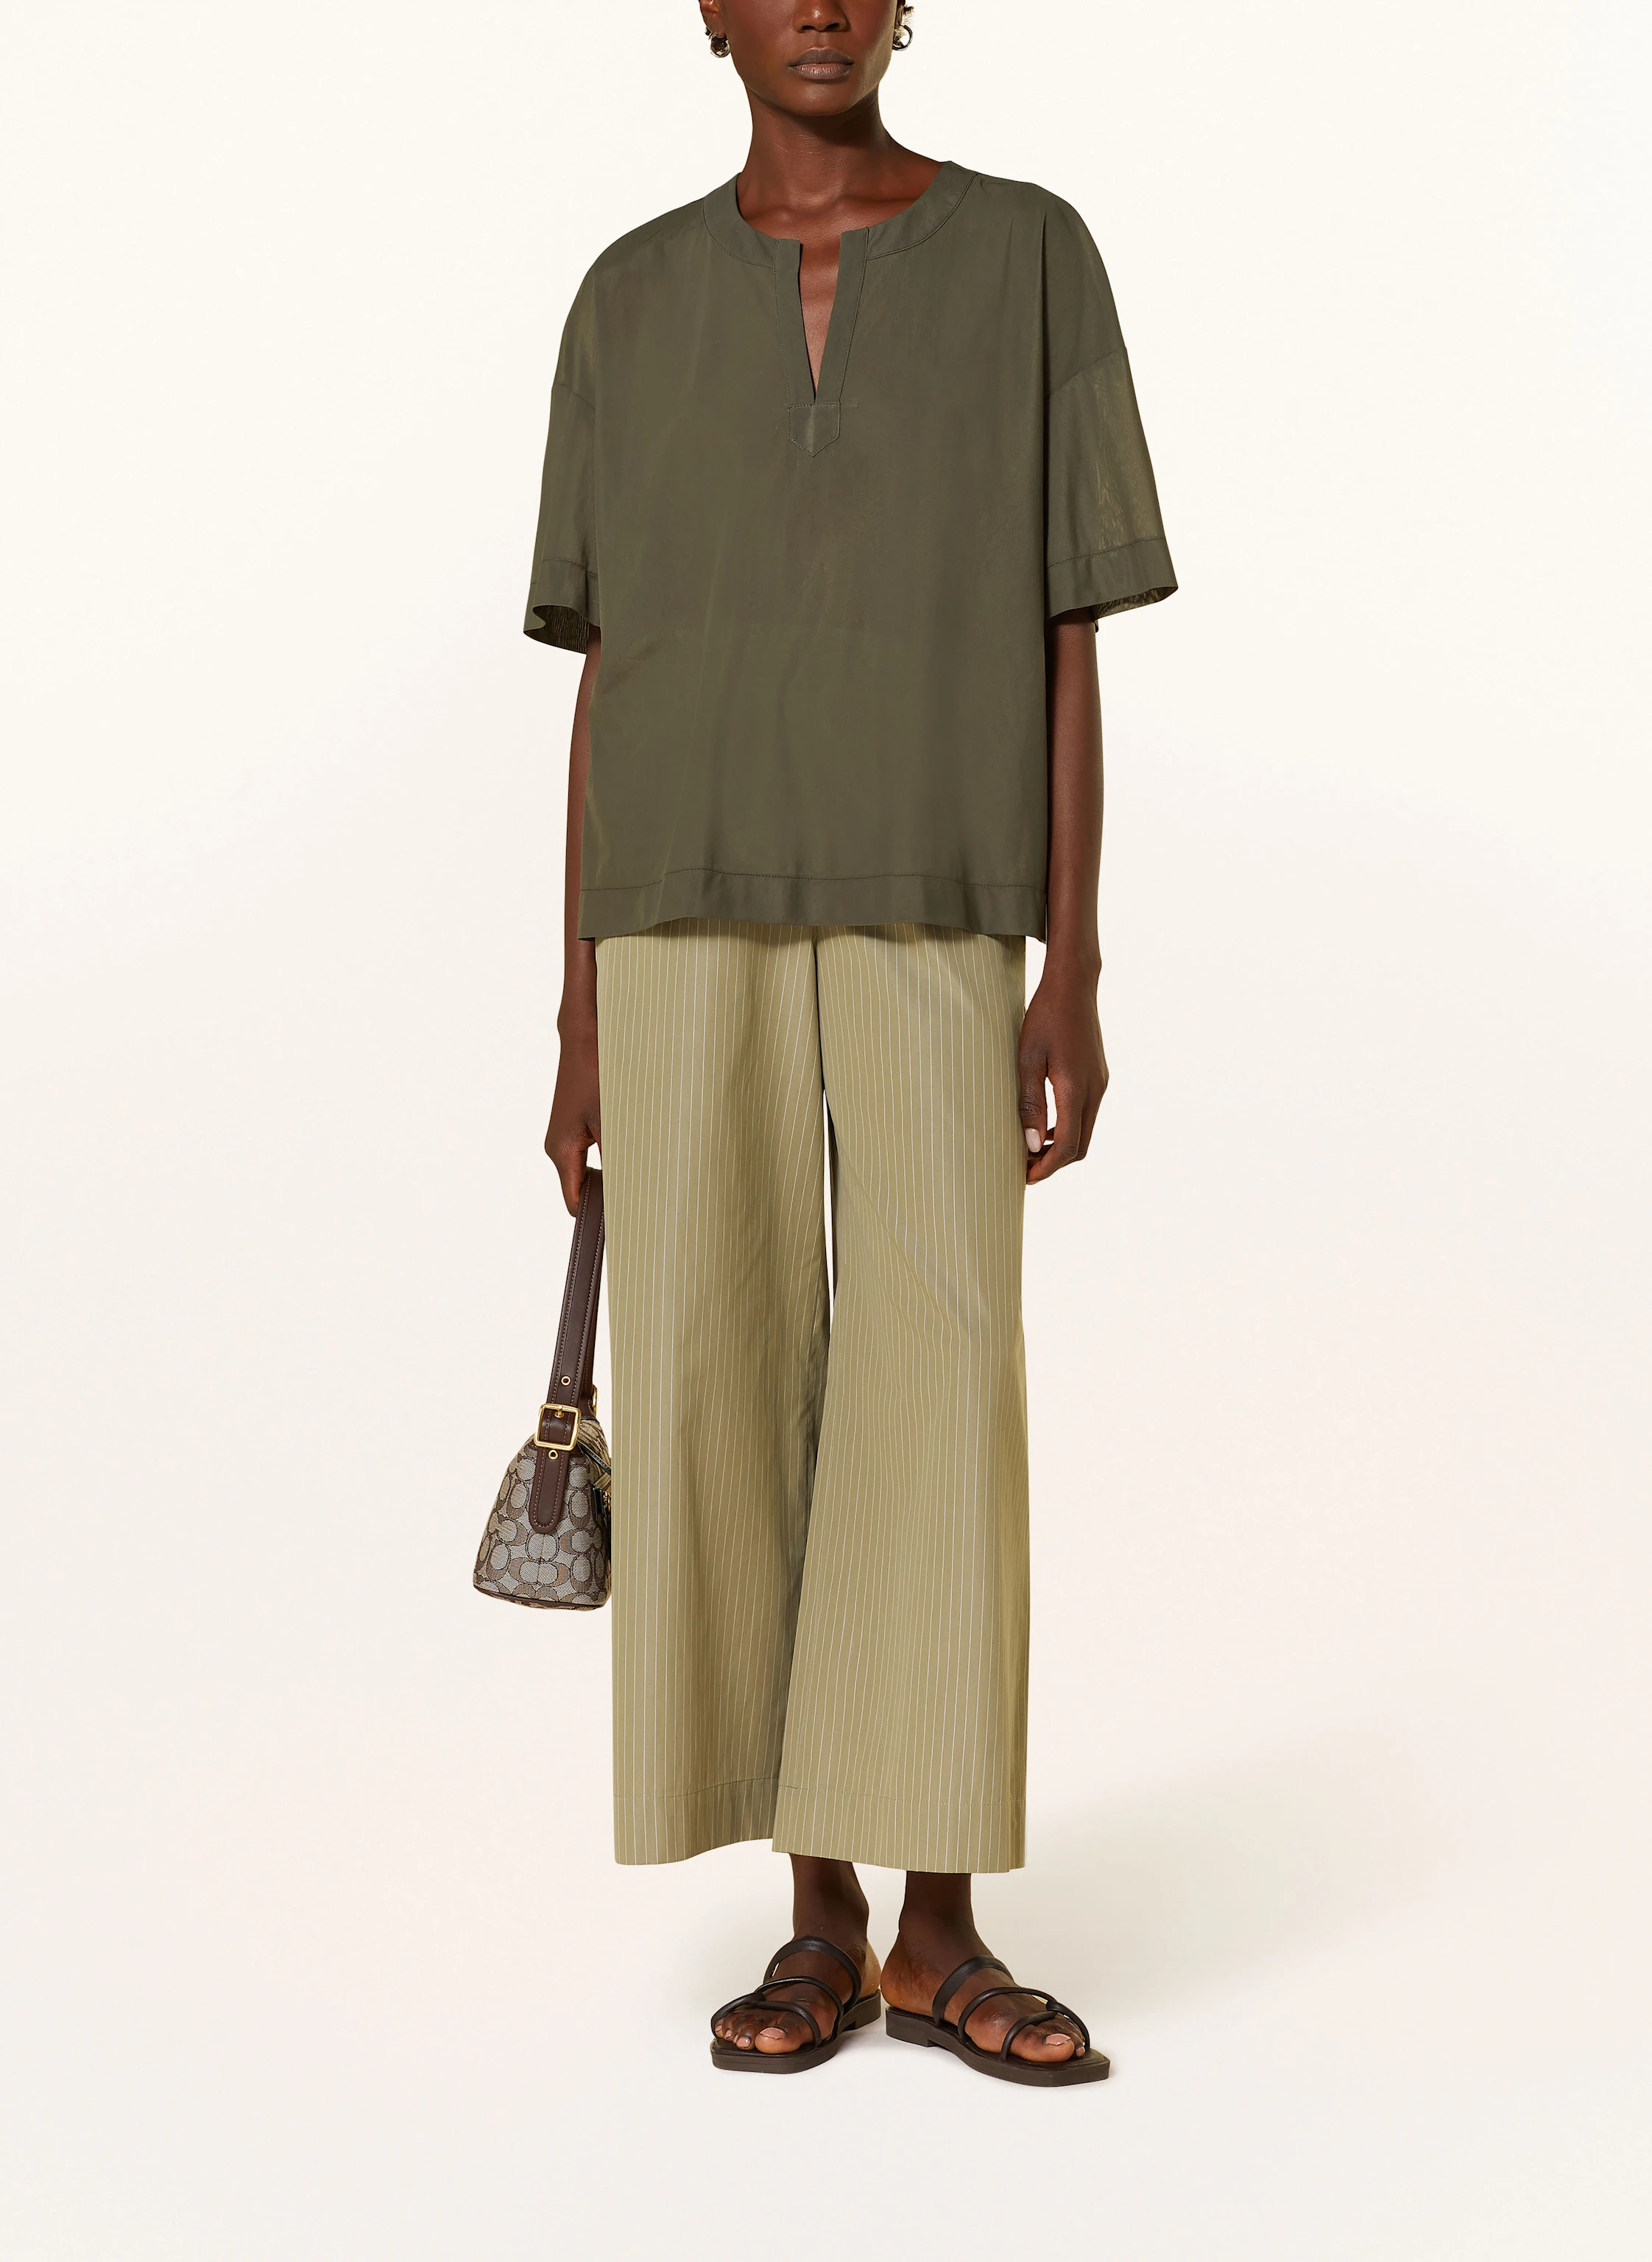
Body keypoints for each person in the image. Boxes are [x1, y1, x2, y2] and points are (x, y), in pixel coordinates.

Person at [530, 0, 1175, 2087]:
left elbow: (1070, 634)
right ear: (706, 16)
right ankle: (816, 1919)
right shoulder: (627, 301)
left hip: (936, 912)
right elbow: (606, 676)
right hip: (677, 919)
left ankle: (940, 1928)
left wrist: (1071, 965)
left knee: (937, 1398)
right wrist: (577, 1012)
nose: (815, 3)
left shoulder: (1031, 257)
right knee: (719, 1396)